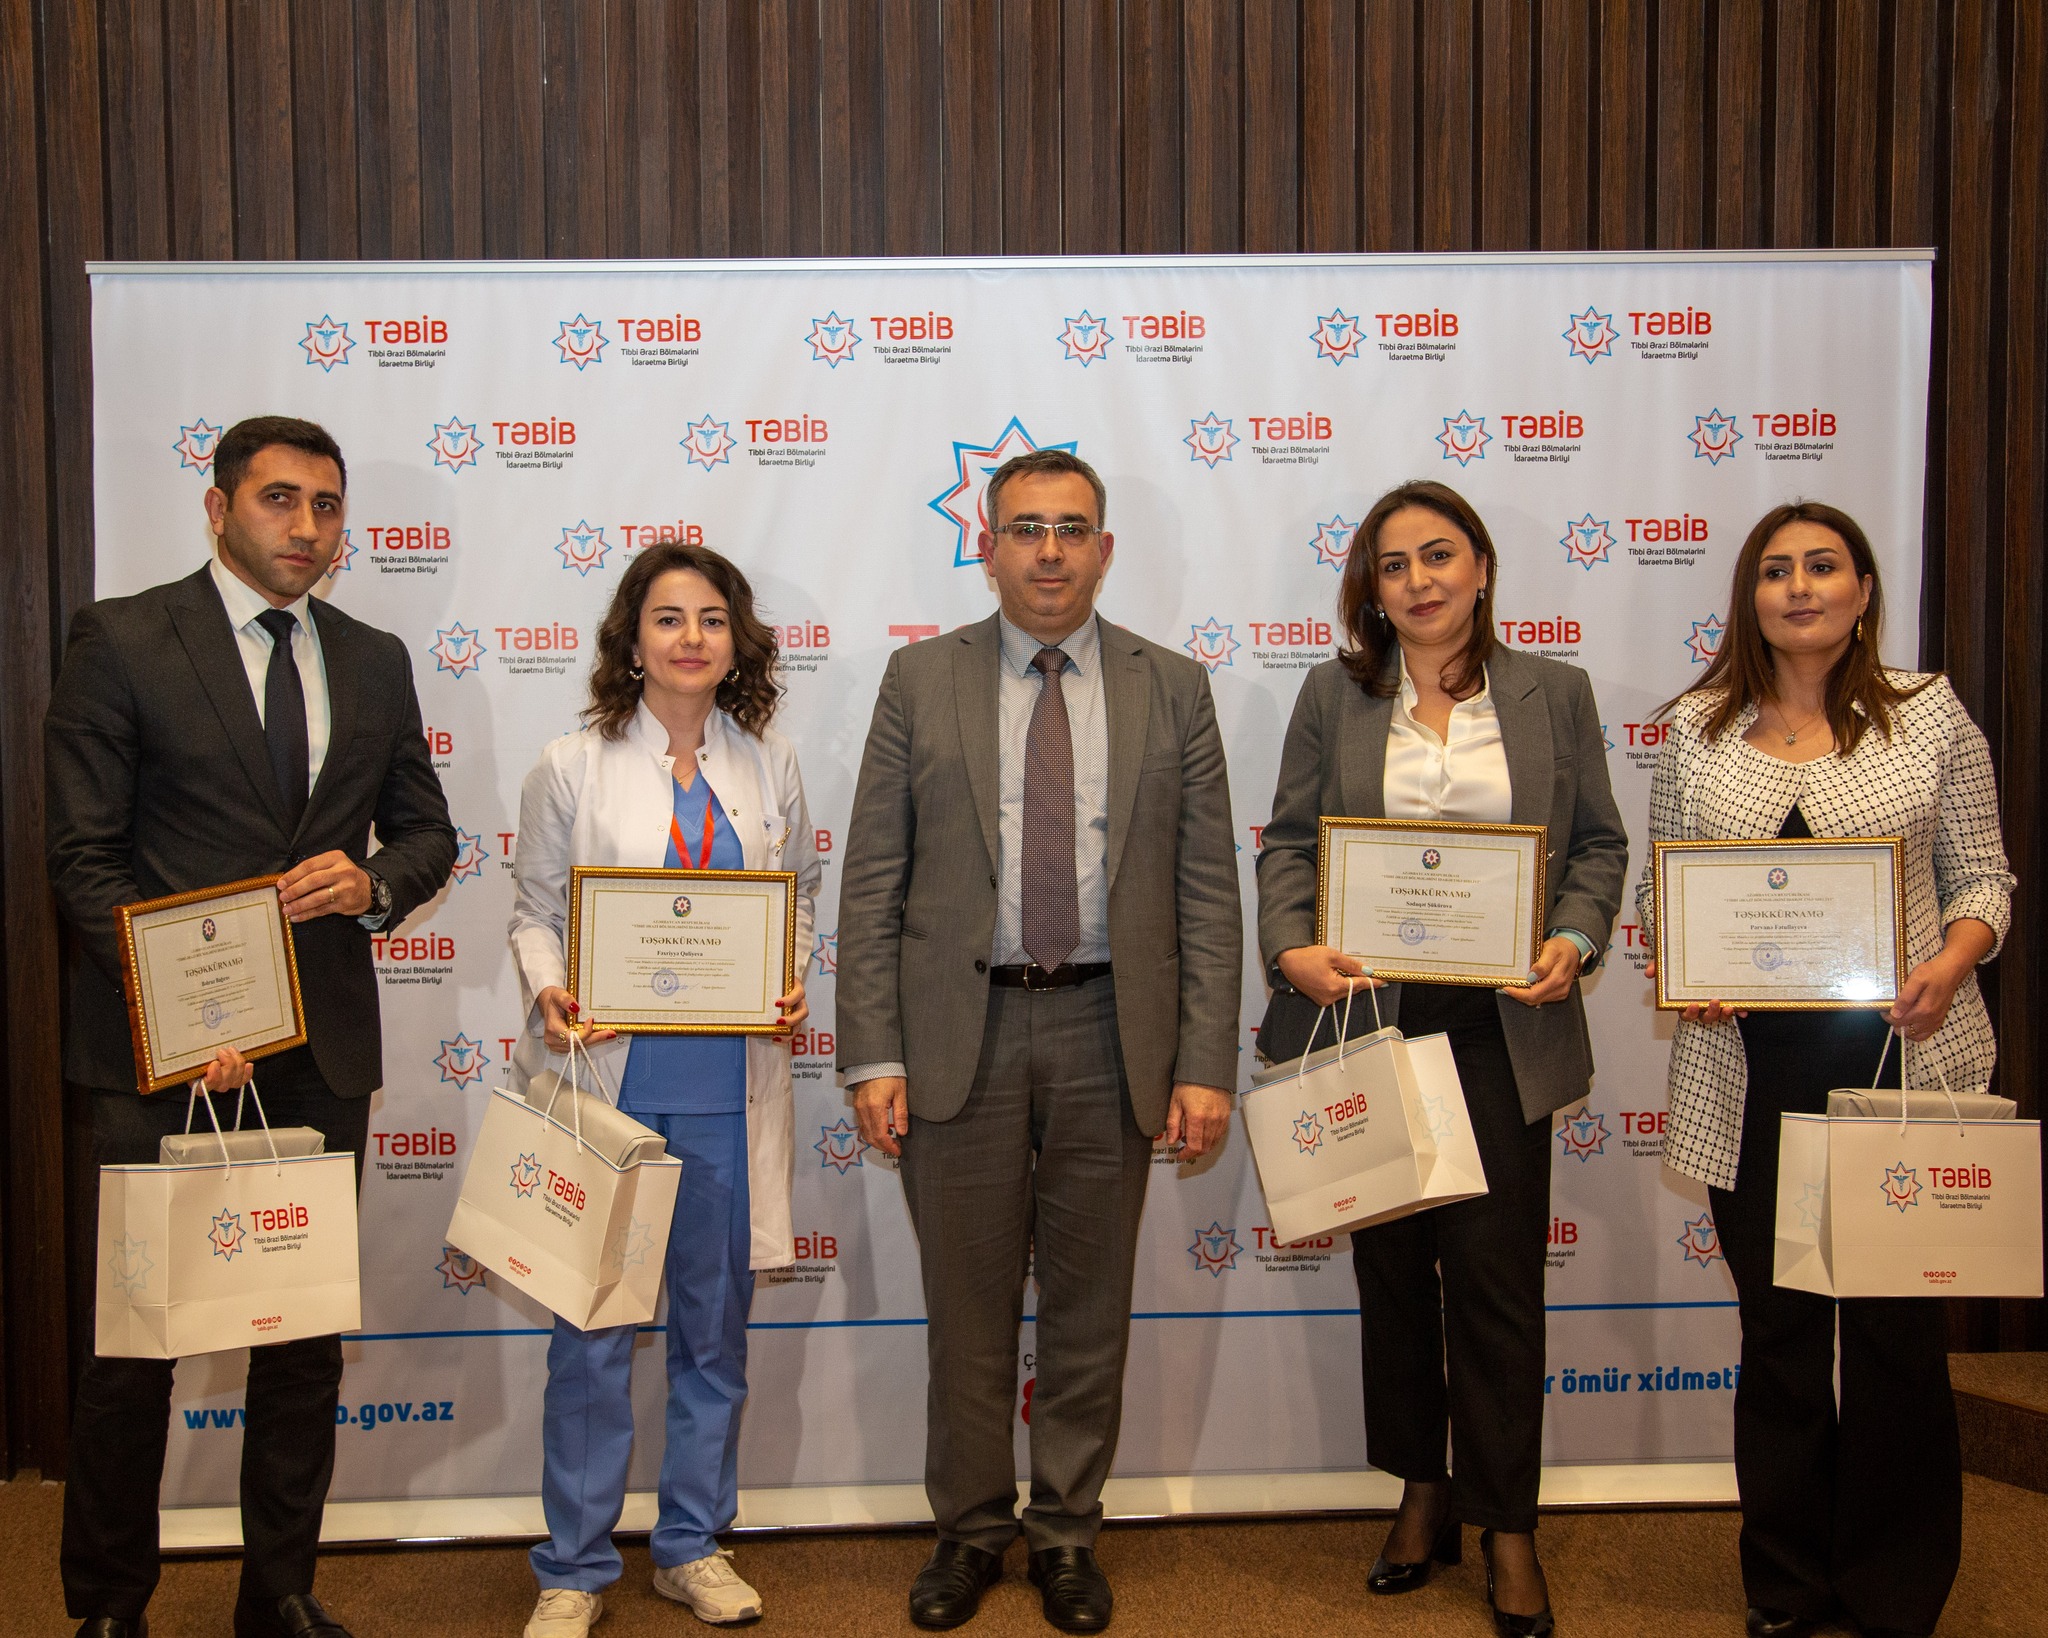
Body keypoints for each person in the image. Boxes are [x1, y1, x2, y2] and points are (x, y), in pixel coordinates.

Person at [46, 416, 458, 1638]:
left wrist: (373, 882)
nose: (307, 527)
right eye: (280, 500)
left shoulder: (373, 657)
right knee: (137, 1347)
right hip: (159, 1053)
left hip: (317, 1048)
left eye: (326, 506)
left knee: (300, 1341)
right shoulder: (122, 638)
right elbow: (82, 859)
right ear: (218, 506)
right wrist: (176, 1013)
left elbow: (426, 831)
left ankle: (278, 1592)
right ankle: (109, 1604)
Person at [837, 448, 1241, 1633]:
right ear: (987, 546)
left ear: (1104, 549)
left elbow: (1205, 891)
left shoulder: (1175, 686)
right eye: (1024, 528)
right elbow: (873, 879)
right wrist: (873, 1053)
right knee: (965, 1312)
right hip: (955, 1036)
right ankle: (969, 1532)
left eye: (1070, 529)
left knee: (1087, 1309)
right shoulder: (919, 679)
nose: (1048, 551)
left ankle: (1066, 1533)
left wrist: (1204, 1064)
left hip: (1113, 1033)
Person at [1256, 480, 1627, 1638]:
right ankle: (1421, 1487)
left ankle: (1506, 1524)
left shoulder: (1554, 692)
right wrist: (1290, 946)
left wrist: (1573, 940)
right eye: (1393, 564)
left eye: (1437, 555)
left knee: (1496, 1285)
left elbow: (1598, 846)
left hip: (1501, 1023)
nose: (1417, 580)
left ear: (1479, 568)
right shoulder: (1331, 695)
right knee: (1393, 1277)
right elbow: (1286, 843)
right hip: (1372, 1017)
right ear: (1369, 588)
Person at [1640, 502, 2012, 1638]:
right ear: (1748, 597)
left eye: (1821, 566)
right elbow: (1659, 888)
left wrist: (1951, 961)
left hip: (1900, 1063)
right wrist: (1684, 966)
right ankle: (1787, 1584)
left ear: (1862, 590)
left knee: (1896, 1338)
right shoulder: (1697, 729)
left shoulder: (1927, 714)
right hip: (1746, 1072)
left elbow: (1983, 879)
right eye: (1774, 571)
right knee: (1782, 1335)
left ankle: (1895, 1586)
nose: (1798, 587)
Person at [507, 542, 820, 1637]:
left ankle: (691, 1543)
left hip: (729, 1087)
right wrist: (550, 990)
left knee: (711, 1334)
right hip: (610, 1083)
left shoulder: (769, 763)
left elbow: (799, 895)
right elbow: (533, 911)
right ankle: (573, 1566)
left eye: (712, 619)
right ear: (631, 642)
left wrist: (789, 976)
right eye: (669, 618)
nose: (692, 637)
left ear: (738, 643)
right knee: (591, 1337)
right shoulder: (571, 765)